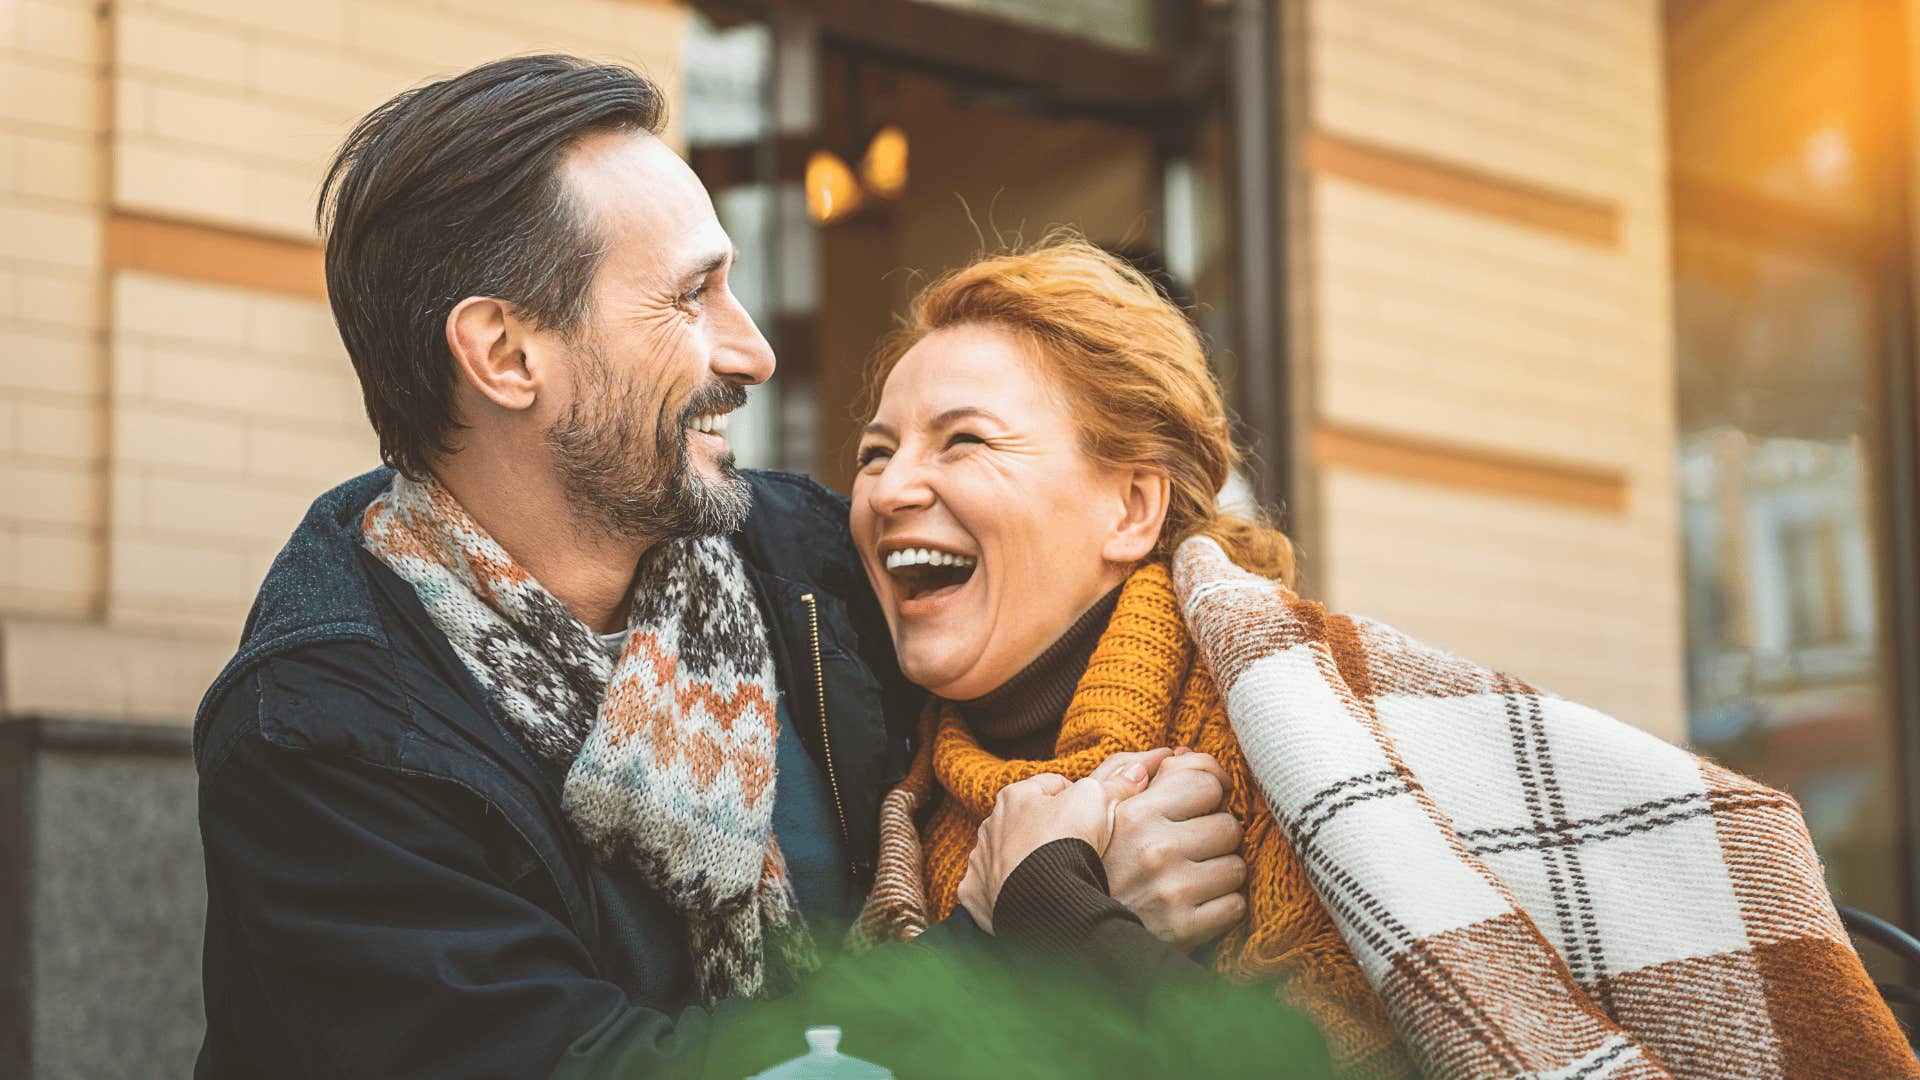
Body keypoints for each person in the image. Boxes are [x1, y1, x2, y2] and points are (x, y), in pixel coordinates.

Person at [190, 56, 1268, 1079]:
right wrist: (1024, 947)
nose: (751, 351)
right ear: (508, 355)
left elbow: (1067, 627)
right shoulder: (326, 737)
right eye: (690, 297)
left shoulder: (810, 566)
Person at [849, 233, 1919, 1078]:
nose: (893, 487)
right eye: (876, 452)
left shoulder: (1325, 738)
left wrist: (1052, 907)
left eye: (964, 440)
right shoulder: (886, 803)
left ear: (1131, 506)